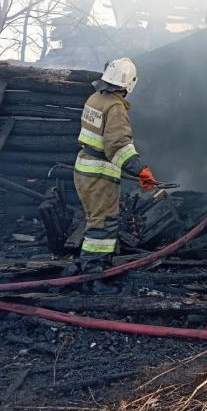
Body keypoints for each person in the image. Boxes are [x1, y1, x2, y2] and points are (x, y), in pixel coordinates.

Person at [72, 57, 156, 291]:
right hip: (98, 175)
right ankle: (93, 277)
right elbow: (117, 146)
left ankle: (100, 267)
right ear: (130, 83)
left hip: (85, 169)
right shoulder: (115, 107)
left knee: (98, 221)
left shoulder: (95, 98)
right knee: (102, 225)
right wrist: (141, 170)